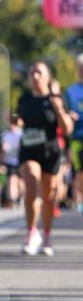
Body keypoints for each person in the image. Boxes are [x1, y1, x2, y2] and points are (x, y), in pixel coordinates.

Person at [18, 61, 73, 255]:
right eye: (32, 72)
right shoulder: (24, 99)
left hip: (50, 152)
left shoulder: (56, 99)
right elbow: (20, 120)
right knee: (32, 184)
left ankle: (46, 236)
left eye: (39, 73)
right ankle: (31, 232)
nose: (35, 76)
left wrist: (59, 110)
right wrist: (14, 120)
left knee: (49, 198)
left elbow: (67, 129)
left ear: (47, 77)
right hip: (29, 150)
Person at [64, 53, 83, 214]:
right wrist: (69, 115)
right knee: (79, 172)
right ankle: (78, 201)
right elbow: (65, 112)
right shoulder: (71, 91)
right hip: (78, 137)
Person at [0, 114, 23, 208]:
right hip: (10, 161)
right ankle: (12, 200)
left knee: (21, 183)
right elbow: (2, 150)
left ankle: (21, 198)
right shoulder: (5, 134)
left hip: (21, 160)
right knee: (11, 180)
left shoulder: (21, 133)